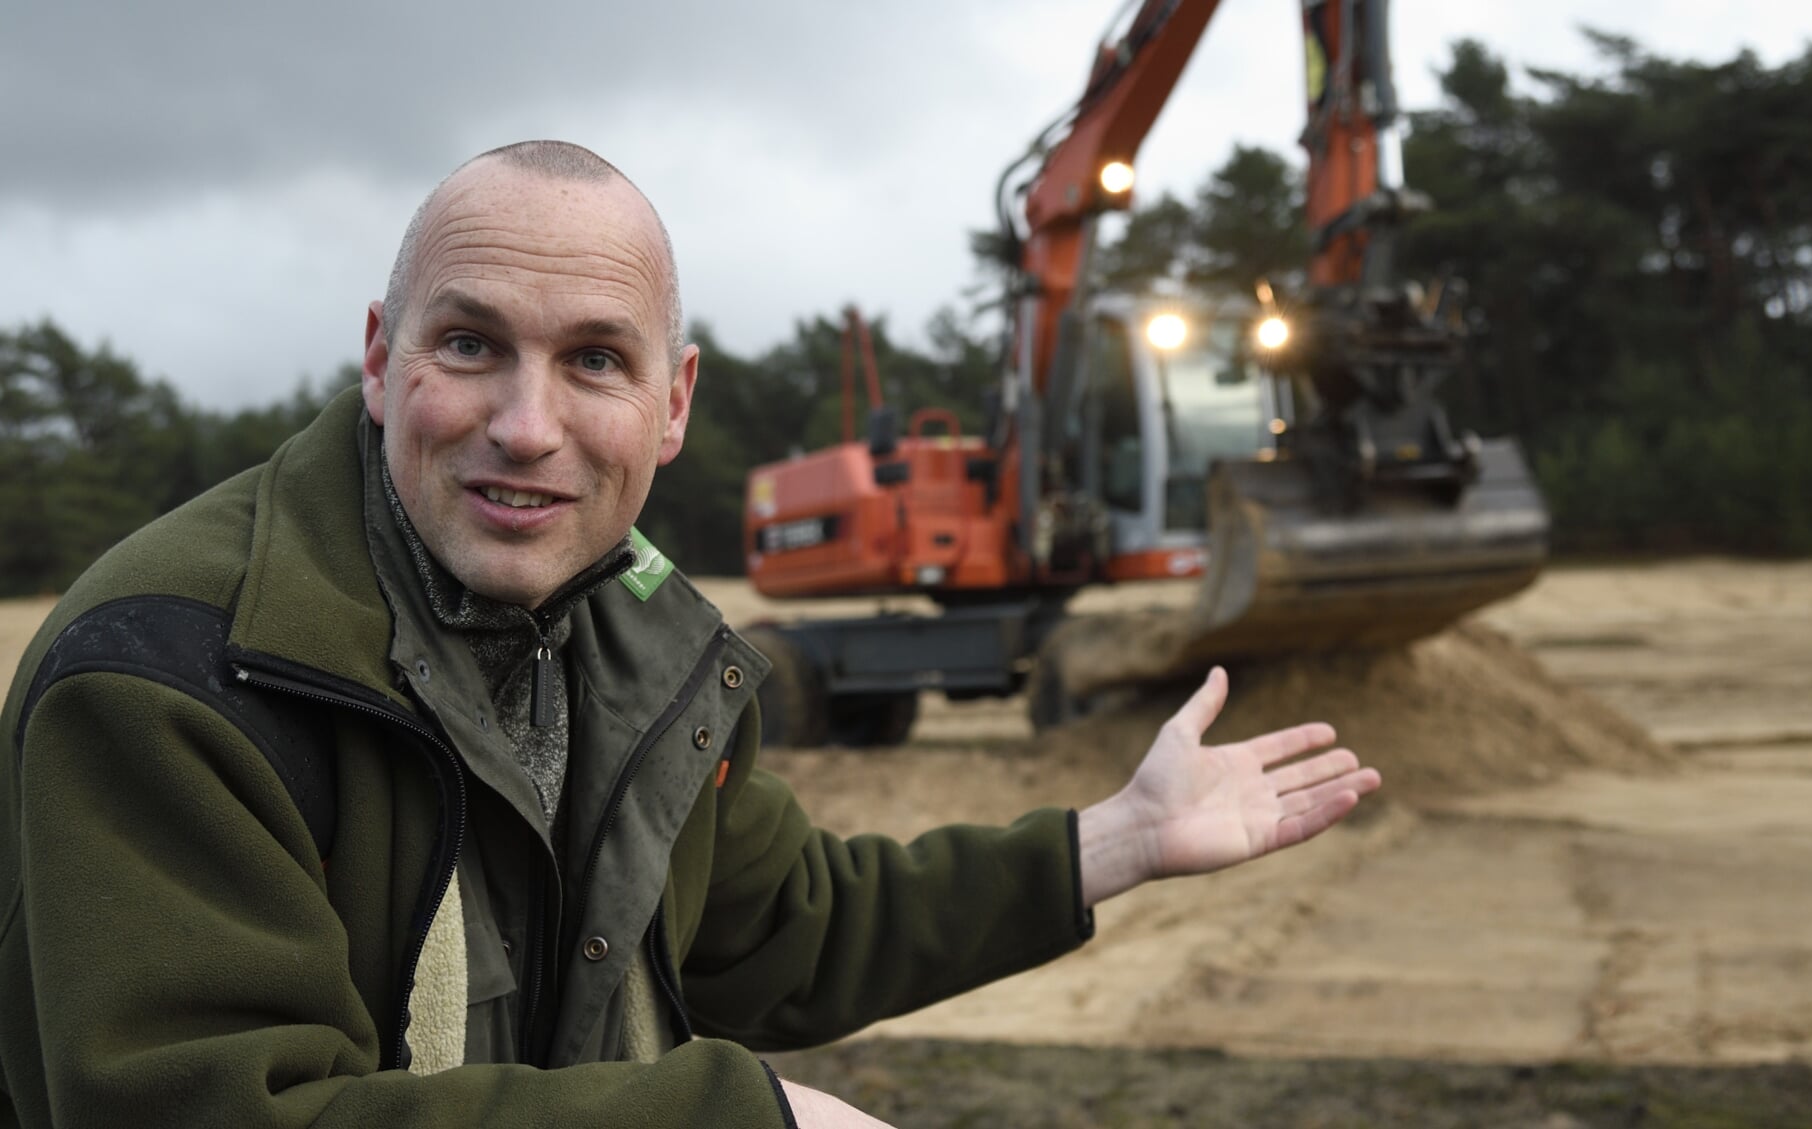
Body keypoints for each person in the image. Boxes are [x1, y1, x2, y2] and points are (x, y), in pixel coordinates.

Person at [0, 140, 1380, 1129]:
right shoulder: (172, 673)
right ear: (380, 357)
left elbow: (785, 925)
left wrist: (1118, 840)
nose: (526, 424)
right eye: (471, 343)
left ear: (674, 404)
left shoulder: (639, 648)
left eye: (594, 357)